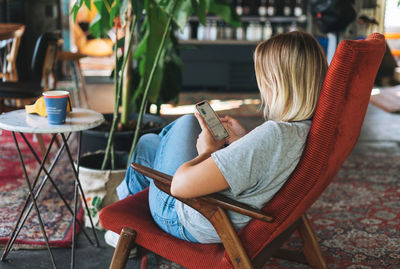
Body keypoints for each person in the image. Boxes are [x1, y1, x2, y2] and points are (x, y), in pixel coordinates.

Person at [108, 31, 328, 245]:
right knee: (154, 143)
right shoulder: (303, 130)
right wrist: (245, 141)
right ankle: (123, 223)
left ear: (277, 83)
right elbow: (266, 162)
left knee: (163, 135)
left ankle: (121, 225)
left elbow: (179, 187)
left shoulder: (274, 134)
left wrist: (207, 152)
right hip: (220, 214)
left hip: (191, 220)